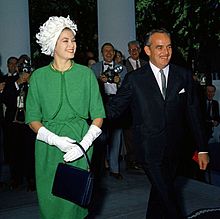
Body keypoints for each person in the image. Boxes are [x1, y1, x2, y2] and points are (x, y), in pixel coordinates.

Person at [106, 28, 209, 219]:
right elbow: (114, 110)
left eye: (169, 47)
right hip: (148, 149)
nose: (166, 52)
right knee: (170, 199)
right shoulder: (135, 79)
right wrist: (87, 112)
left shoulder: (183, 75)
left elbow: (194, 114)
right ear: (147, 50)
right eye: (159, 47)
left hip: (175, 149)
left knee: (160, 194)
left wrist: (202, 148)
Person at [25, 16, 105, 219]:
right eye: (65, 40)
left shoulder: (86, 74)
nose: (72, 45)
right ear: (53, 43)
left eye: (73, 40)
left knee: (75, 204)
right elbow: (32, 118)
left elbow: (98, 115)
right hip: (47, 147)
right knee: (50, 203)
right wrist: (54, 140)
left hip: (80, 143)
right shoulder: (39, 77)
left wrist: (84, 144)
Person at [91, 43, 127, 180]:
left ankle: (115, 169)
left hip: (116, 104)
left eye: (111, 51)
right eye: (106, 51)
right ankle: (99, 168)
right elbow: (89, 87)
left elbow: (127, 89)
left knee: (116, 136)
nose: (108, 53)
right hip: (100, 104)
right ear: (102, 53)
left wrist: (119, 82)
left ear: (114, 53)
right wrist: (99, 81)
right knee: (100, 136)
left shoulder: (122, 69)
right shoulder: (94, 68)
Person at [2, 55, 35, 190]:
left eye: (24, 66)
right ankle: (15, 179)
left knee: (29, 151)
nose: (23, 69)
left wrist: (29, 81)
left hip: (28, 123)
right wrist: (18, 83)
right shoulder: (9, 81)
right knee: (14, 151)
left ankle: (31, 180)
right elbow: (5, 99)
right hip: (13, 123)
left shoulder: (33, 81)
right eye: (20, 66)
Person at [124, 40, 147, 172]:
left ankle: (142, 160)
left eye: (136, 49)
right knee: (129, 135)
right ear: (128, 51)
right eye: (131, 49)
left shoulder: (146, 64)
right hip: (130, 106)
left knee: (143, 133)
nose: (133, 51)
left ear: (140, 50)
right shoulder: (122, 66)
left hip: (144, 106)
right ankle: (131, 161)